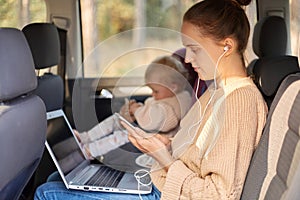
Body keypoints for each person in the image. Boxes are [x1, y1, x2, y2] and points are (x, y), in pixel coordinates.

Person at [34, 0, 268, 199]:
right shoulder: (217, 92)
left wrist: (163, 157)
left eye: (194, 49)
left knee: (47, 192)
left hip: (167, 191)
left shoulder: (239, 100)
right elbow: (199, 152)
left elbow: (219, 194)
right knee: (59, 178)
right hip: (161, 179)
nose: (187, 58)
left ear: (226, 46)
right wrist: (166, 144)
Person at [74, 55, 192, 158]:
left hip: (161, 141)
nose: (152, 94)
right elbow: (152, 112)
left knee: (124, 135)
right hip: (149, 132)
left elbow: (159, 120)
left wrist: (137, 110)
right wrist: (138, 109)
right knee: (117, 118)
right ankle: (87, 137)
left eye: (155, 91)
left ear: (173, 87)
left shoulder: (178, 102)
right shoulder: (167, 95)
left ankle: (91, 151)